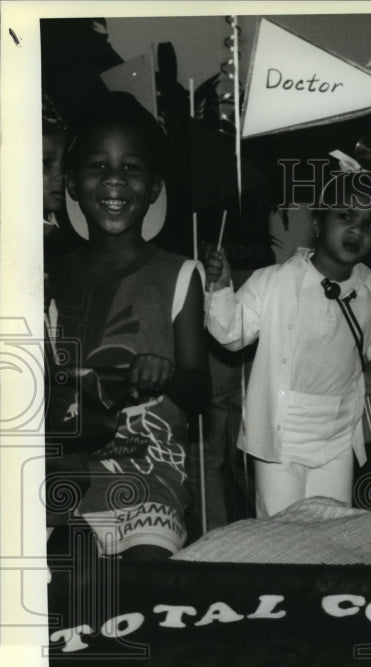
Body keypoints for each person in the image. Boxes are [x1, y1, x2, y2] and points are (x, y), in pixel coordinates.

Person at [47, 91, 210, 558]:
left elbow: (199, 389)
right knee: (69, 595)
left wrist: (169, 373)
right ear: (72, 184)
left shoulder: (180, 274)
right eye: (97, 166)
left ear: (155, 187)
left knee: (146, 583)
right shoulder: (53, 278)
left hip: (151, 480)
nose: (114, 180)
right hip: (71, 480)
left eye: (131, 168)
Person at [204, 170, 371, 517]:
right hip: (281, 438)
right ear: (318, 222)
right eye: (345, 215)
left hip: (337, 437)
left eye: (370, 225)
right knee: (282, 536)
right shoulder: (274, 281)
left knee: (332, 537)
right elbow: (230, 334)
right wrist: (220, 287)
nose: (356, 230)